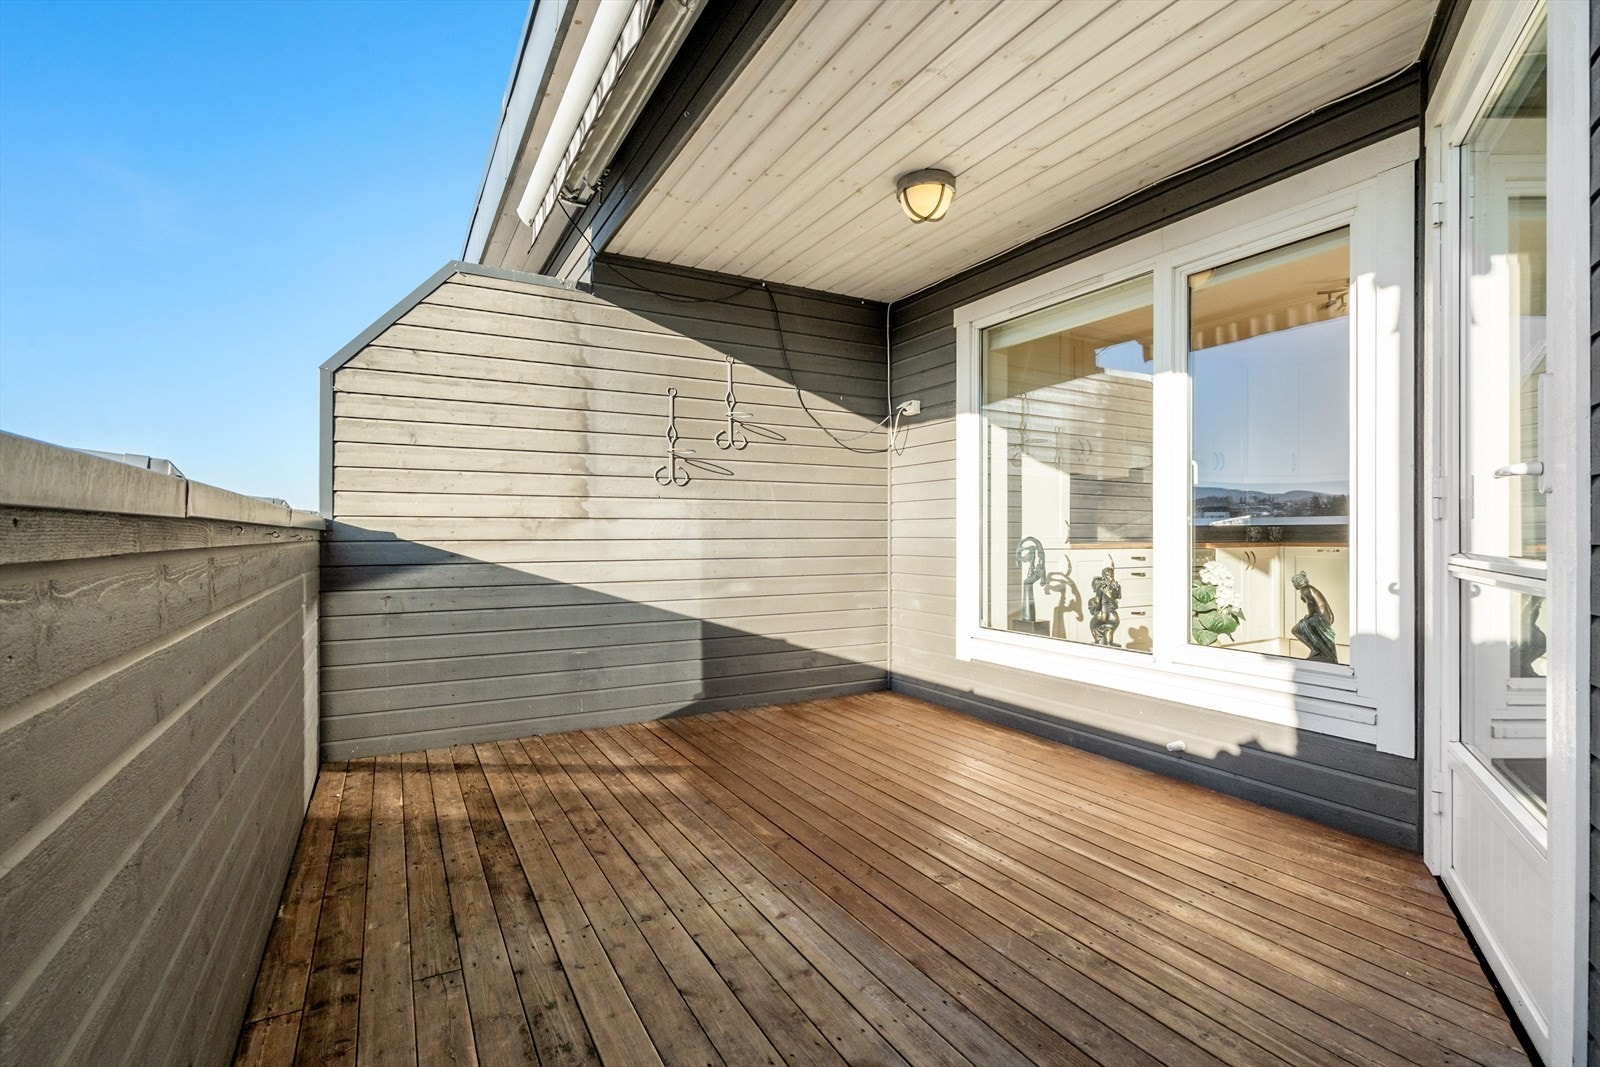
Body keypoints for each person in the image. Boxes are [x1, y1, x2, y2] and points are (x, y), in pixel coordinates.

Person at [1290, 570, 1338, 662]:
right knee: (1318, 635)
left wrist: (1310, 616)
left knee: (1296, 630)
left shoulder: (1305, 589)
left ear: (1297, 582)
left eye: (1293, 583)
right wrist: (1331, 616)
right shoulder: (1310, 588)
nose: (1293, 585)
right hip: (1324, 615)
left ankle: (1315, 649)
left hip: (1318, 616)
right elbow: (1324, 603)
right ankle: (1321, 652)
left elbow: (1310, 603)